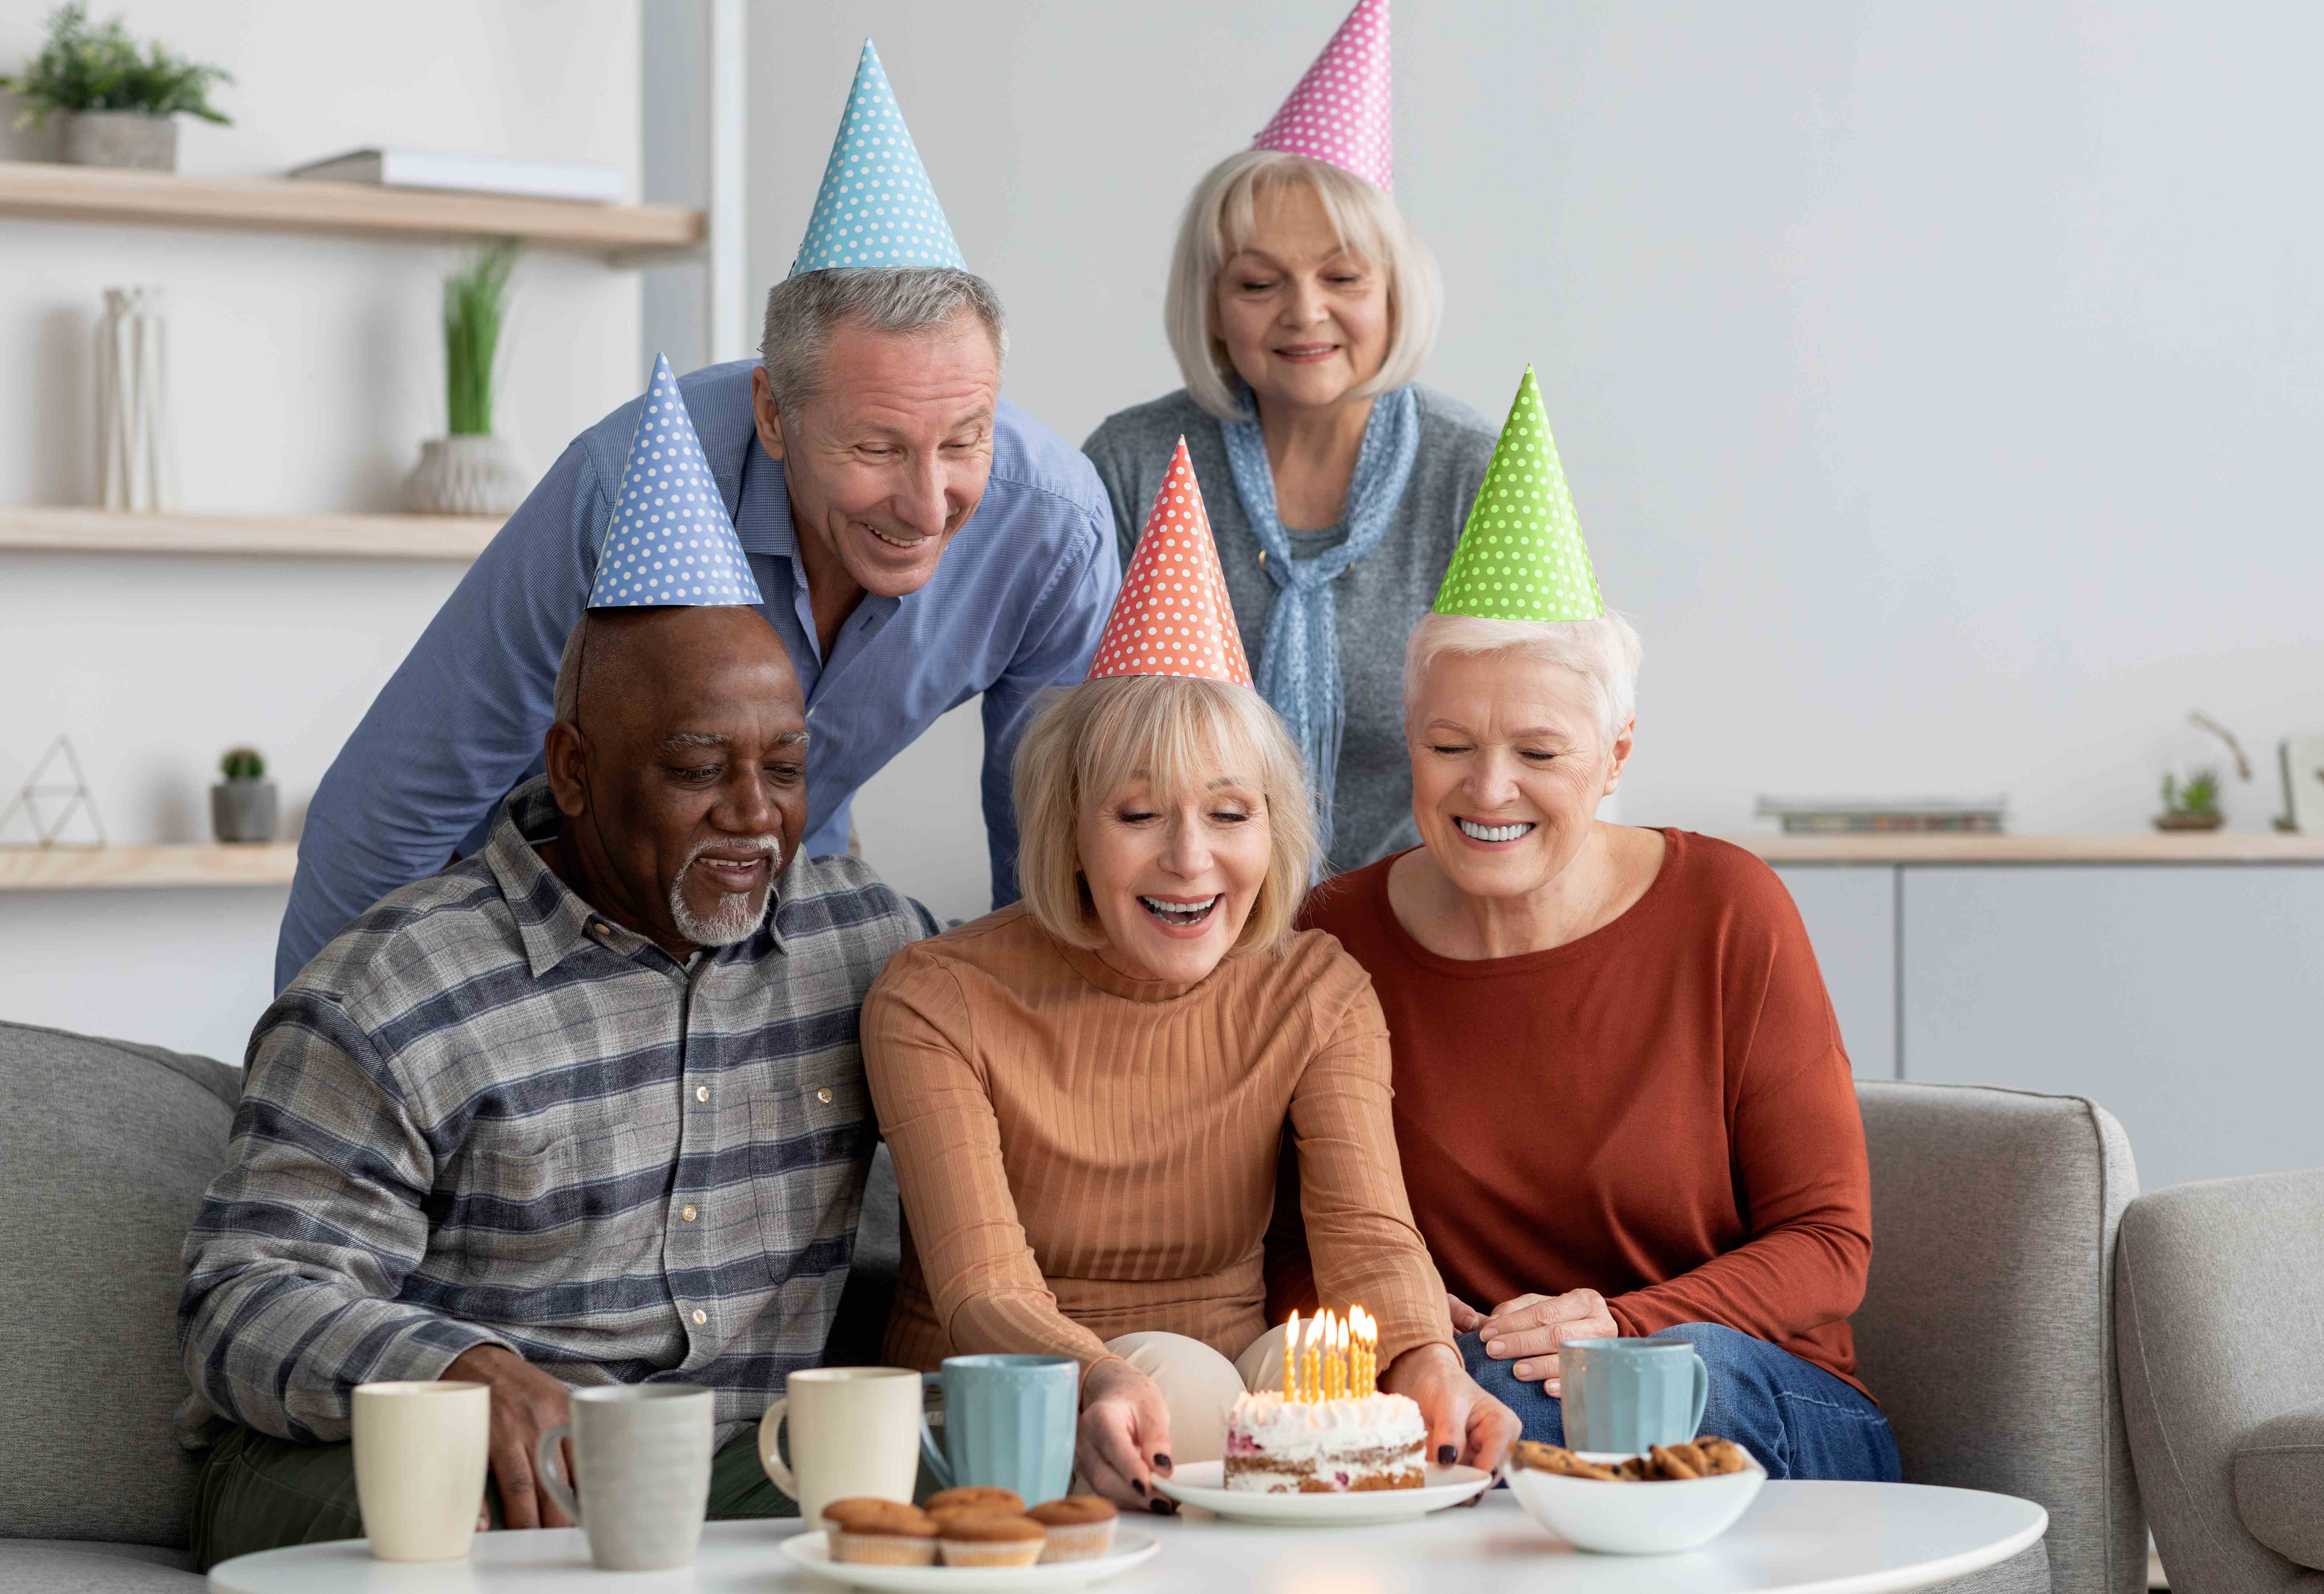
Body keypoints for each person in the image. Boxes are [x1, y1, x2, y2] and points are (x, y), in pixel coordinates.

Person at [176, 364, 936, 1569]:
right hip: (420, 1465)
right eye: (697, 767)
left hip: (714, 1459)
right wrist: (460, 1370)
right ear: (573, 770)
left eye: (783, 767)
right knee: (470, 1507)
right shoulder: (395, 988)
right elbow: (242, 1301)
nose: (753, 816)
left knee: (966, 1462)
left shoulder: (866, 944)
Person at [277, 39, 1118, 988]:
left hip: (771, 908)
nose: (928, 504)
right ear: (772, 413)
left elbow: (1051, 853)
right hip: (517, 903)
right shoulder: (624, 478)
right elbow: (393, 806)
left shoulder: (1052, 532)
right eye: (876, 449)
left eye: (965, 439)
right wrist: (310, 1064)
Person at [1270, 370, 1901, 1483]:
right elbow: (1288, 1245)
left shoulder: (1726, 910)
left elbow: (1828, 1250)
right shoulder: (1337, 937)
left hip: (1760, 1396)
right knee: (1435, 1400)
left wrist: (1613, 1322)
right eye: (1449, 746)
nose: (1488, 788)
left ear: (1614, 758)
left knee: (1616, 1379)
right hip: (1472, 1390)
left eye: (1541, 752)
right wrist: (1414, 1332)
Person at [861, 448, 1517, 1512]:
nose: (1189, 859)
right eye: (1137, 815)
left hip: (1224, 1417)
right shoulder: (937, 999)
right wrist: (1104, 1374)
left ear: (1275, 828)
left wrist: (1429, 1362)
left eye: (1228, 812)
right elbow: (982, 1285)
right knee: (1189, 1382)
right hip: (1001, 1422)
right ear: (1071, 833)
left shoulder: (1316, 990)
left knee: (1343, 1407)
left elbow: (1367, 1236)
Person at [1083, 0, 1496, 876]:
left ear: (1394, 292)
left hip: (1421, 916)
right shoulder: (1133, 465)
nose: (1304, 313)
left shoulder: (1471, 472)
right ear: (1212, 307)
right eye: (1259, 282)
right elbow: (1071, 738)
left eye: (1341, 276)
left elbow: (1539, 745)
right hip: (1182, 915)